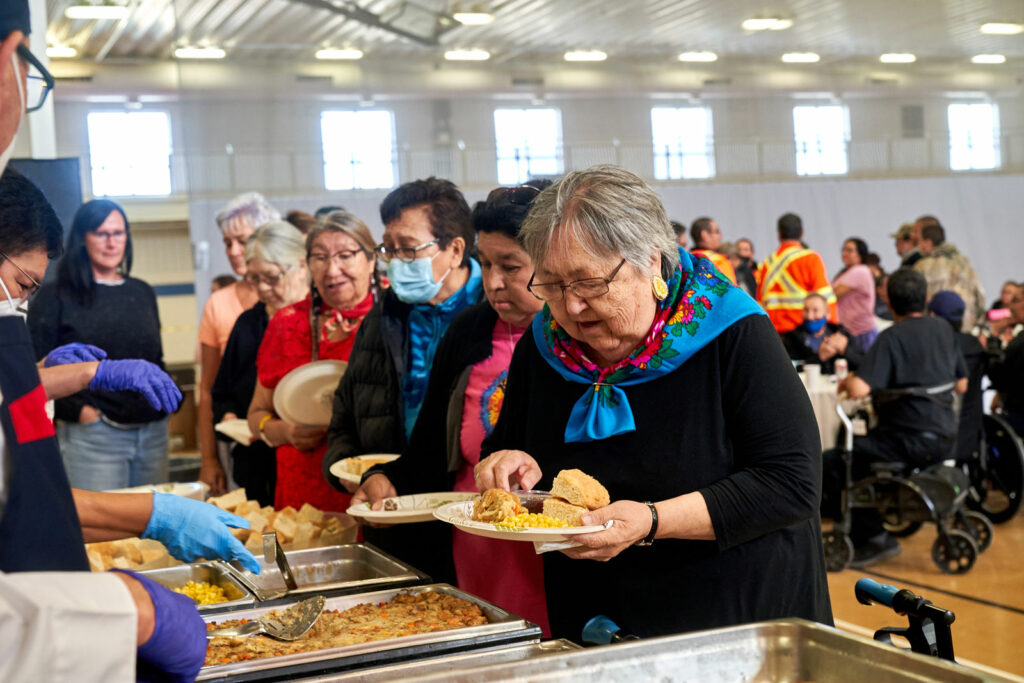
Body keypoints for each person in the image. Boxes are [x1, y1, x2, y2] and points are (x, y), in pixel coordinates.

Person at [474, 165, 831, 640]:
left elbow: (791, 483)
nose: (571, 307)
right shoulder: (544, 346)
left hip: (733, 617)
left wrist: (652, 520)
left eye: (589, 283)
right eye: (554, 286)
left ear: (651, 260)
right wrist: (506, 463)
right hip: (595, 618)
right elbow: (507, 446)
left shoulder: (731, 331)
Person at [0, 27, 250, 674]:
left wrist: (51, 381)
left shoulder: (135, 289)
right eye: (19, 287)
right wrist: (128, 606)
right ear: (12, 55)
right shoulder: (60, 289)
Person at [352, 183, 550, 634]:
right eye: (486, 264)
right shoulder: (468, 332)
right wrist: (386, 478)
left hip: (551, 549)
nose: (494, 282)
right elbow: (427, 449)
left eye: (511, 266)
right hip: (475, 544)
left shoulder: (574, 340)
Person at [324, 177, 484, 585]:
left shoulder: (493, 316)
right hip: (394, 512)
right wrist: (362, 475)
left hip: (474, 515)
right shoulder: (385, 317)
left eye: (407, 248)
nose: (394, 261)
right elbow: (344, 415)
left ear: (454, 249)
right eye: (387, 248)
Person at [28, 200, 174, 491]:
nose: (111, 243)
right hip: (94, 436)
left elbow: (154, 358)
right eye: (101, 233)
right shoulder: (56, 296)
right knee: (102, 532)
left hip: (152, 431)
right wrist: (81, 413)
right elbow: (36, 368)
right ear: (83, 238)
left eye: (118, 233)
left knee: (152, 529)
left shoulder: (141, 292)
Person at [828, 268, 968, 567]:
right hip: (945, 436)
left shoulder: (891, 337)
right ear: (926, 299)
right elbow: (962, 383)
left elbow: (859, 388)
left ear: (889, 303)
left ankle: (874, 536)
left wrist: (848, 381)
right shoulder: (943, 329)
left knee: (840, 459)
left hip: (906, 440)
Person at [247, 212, 377, 511]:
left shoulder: (394, 318)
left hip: (371, 481)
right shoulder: (287, 323)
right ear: (308, 265)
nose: (332, 270)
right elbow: (257, 413)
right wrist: (283, 432)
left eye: (345, 256)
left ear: (371, 259)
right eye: (320, 257)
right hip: (304, 488)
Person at [212, 222, 309, 507]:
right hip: (256, 463)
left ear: (301, 266)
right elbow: (221, 392)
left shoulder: (323, 321)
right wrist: (229, 416)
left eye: (271, 277)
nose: (263, 288)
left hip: (308, 458)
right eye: (253, 279)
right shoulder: (248, 324)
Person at [198, 192, 280, 495]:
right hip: (243, 445)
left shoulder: (294, 301)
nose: (233, 251)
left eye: (242, 241)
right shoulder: (223, 306)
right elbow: (209, 389)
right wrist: (208, 458)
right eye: (227, 242)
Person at [927, 291, 986, 464]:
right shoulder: (975, 345)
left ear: (932, 315)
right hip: (968, 436)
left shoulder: (934, 347)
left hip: (934, 435)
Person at [756, 213, 837, 334]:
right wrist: (833, 330)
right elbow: (825, 298)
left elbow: (759, 301)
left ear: (779, 235)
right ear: (802, 232)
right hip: (800, 333)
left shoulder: (767, 263)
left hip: (772, 333)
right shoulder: (810, 258)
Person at [912, 219, 986, 330]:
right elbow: (980, 295)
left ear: (928, 242)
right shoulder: (964, 262)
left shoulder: (922, 266)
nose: (919, 247)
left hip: (935, 328)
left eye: (920, 242)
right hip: (965, 325)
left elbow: (916, 299)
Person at [782, 293, 864, 374]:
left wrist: (846, 350)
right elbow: (789, 371)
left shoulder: (840, 332)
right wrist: (820, 357)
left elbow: (866, 364)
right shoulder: (792, 338)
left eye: (815, 310)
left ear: (827, 314)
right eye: (806, 310)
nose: (810, 316)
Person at [987, 287, 1024, 435]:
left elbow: (997, 375)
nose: (1010, 307)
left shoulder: (1020, 342)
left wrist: (994, 336)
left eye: (1015, 301)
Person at [832, 237, 878, 349]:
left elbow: (833, 294)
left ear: (860, 254)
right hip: (851, 331)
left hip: (861, 333)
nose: (844, 253)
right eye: (843, 249)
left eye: (849, 250)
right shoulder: (846, 272)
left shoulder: (860, 271)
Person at [689, 216, 737, 284]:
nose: (720, 236)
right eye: (717, 231)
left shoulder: (687, 260)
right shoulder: (719, 261)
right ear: (704, 235)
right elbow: (731, 291)